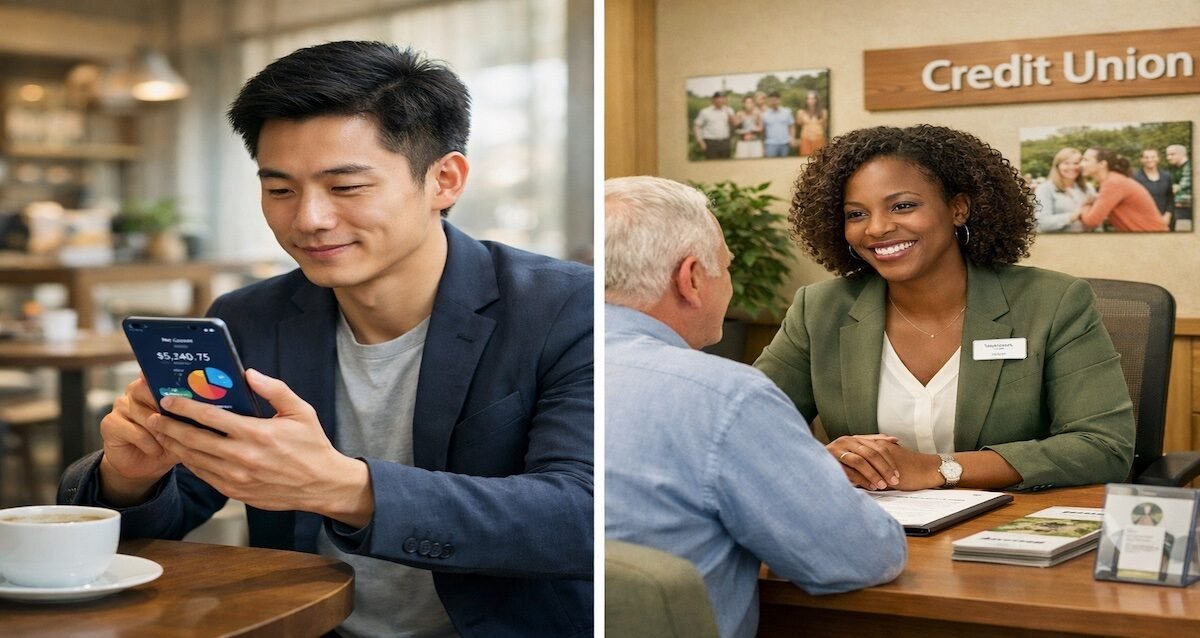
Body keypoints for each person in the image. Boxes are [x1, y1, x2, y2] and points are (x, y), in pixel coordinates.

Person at [58, 41, 593, 637]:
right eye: (280, 190)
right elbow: (174, 507)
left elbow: (582, 515)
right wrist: (132, 477)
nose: (308, 219)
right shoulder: (249, 317)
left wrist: (342, 487)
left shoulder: (564, 308)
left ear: (444, 179)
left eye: (346, 187)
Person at [755, 125, 1135, 493]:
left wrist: (938, 468)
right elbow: (746, 427)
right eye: (856, 214)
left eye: (902, 206)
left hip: (1005, 528)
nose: (876, 228)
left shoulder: (1053, 302)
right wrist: (827, 459)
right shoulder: (819, 309)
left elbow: (1102, 446)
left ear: (958, 209)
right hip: (872, 528)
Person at [605, 176, 906, 638]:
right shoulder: (725, 396)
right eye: (725, 268)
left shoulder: (543, 370)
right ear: (690, 279)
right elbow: (861, 557)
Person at [1078, 147, 1169, 232]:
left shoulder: (1113, 183)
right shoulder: (1114, 179)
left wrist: (1085, 206)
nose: (1081, 164)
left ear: (1102, 164)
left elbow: (1092, 221)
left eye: (1086, 160)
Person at [1034, 147, 1095, 233]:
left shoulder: (1088, 188)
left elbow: (1097, 223)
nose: (1072, 167)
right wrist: (1075, 215)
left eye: (1076, 163)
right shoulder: (1044, 189)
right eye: (1066, 163)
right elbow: (1042, 223)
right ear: (1057, 166)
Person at [1132, 148, 1175, 227]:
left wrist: (1167, 215)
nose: (1149, 160)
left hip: (1164, 219)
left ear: (1158, 159)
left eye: (1153, 157)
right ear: (1141, 160)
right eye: (1146, 157)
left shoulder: (1167, 176)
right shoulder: (1135, 177)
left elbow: (1170, 198)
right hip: (1143, 220)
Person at [694, 91, 735, 160]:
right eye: (718, 98)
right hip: (711, 143)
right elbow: (697, 127)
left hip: (725, 142)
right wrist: (700, 141)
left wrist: (728, 112)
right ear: (713, 100)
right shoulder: (705, 111)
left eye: (722, 98)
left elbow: (734, 123)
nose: (720, 100)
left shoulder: (729, 110)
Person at [793, 89, 828, 156]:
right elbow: (798, 126)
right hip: (805, 139)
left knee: (819, 159)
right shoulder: (800, 112)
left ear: (816, 100)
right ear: (806, 100)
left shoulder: (823, 112)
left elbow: (825, 127)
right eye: (808, 99)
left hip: (819, 139)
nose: (810, 101)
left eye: (813, 99)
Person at [761, 91, 794, 158]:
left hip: (785, 144)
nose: (774, 102)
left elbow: (792, 126)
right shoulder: (764, 114)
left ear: (779, 100)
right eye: (772, 100)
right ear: (769, 101)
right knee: (770, 166)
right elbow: (763, 131)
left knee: (784, 166)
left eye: (775, 100)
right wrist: (763, 146)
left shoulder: (787, 112)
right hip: (770, 144)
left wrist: (792, 138)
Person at [1166, 144, 1192, 230]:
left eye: (1172, 154)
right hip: (1178, 209)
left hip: (1186, 208)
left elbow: (1177, 188)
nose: (1168, 157)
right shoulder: (1175, 169)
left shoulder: (1190, 167)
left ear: (1182, 154)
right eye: (1168, 155)